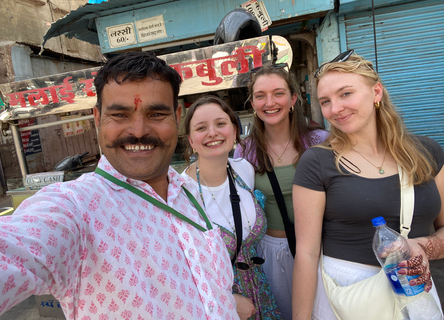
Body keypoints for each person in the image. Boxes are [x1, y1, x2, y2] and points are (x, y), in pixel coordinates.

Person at [0, 52, 239, 320]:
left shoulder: (186, 190)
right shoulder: (77, 208)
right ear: (97, 118)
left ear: (177, 116)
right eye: (120, 115)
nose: (139, 130)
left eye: (156, 114)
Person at [292, 50, 444, 319]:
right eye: (325, 101)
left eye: (345, 94)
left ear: (376, 92)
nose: (335, 109)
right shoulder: (317, 162)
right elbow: (306, 253)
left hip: (416, 291)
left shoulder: (427, 152)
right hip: (349, 296)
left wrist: (421, 246)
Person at [234, 64, 328, 319]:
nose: (270, 102)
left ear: (293, 99)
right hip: (270, 252)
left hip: (322, 248)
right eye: (260, 95)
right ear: (252, 103)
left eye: (278, 93)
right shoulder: (244, 152)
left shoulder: (320, 141)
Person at [181, 95, 282, 320]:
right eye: (201, 128)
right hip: (219, 307)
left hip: (263, 297)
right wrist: (228, 301)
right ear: (191, 140)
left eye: (220, 123)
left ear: (234, 131)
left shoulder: (244, 170)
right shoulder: (181, 192)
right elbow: (179, 268)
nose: (213, 133)